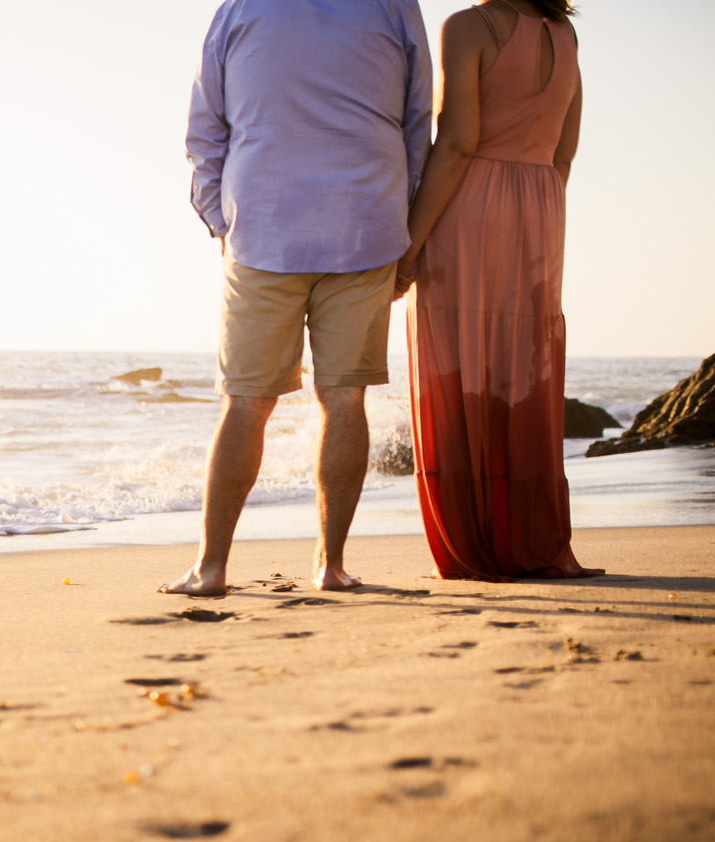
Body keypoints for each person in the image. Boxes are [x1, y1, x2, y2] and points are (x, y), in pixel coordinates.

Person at [165, 0, 433, 597]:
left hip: (263, 226)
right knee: (343, 398)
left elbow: (205, 126)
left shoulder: (240, 7)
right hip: (365, 222)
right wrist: (402, 219)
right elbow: (418, 125)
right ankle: (330, 567)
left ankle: (210, 569)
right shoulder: (395, 7)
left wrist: (219, 219)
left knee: (245, 403)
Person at [394, 0, 602, 579]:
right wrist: (535, 208)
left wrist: (408, 250)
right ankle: (534, 541)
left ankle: (476, 544)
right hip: (540, 205)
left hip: (471, 204)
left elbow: (458, 142)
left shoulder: (466, 27)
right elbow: (564, 151)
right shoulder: (565, 37)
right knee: (525, 369)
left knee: (458, 365)